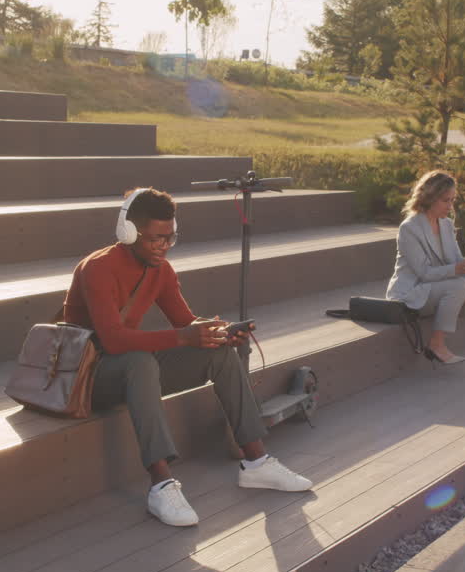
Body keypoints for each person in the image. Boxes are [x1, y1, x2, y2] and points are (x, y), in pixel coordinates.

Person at [63, 187, 312, 527]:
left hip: (131, 370)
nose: (164, 246)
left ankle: (256, 463)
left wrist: (216, 332)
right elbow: (114, 340)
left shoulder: (160, 270)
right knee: (139, 361)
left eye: (170, 238)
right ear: (128, 232)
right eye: (156, 239)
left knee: (219, 353)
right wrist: (184, 336)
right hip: (87, 377)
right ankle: (161, 485)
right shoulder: (98, 268)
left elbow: (185, 322)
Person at [385, 170, 465, 373]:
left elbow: (456, 262)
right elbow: (424, 273)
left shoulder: (446, 224)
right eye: (445, 201)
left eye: (452, 200)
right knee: (458, 284)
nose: (450, 206)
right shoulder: (409, 228)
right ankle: (436, 344)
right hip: (411, 294)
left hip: (438, 289)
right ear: (429, 198)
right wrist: (457, 268)